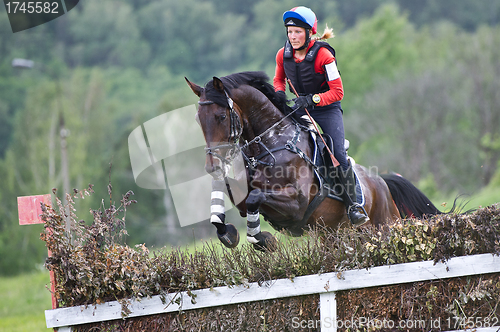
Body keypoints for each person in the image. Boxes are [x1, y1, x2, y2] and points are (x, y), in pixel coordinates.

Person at [273, 6, 369, 226]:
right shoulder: (282, 54)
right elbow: (279, 79)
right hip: (299, 108)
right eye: (289, 32)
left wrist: (313, 99)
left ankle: (354, 205)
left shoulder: (324, 55)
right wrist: (278, 94)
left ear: (309, 33)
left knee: (336, 153)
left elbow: (338, 92)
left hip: (327, 110)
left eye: (297, 32)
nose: (293, 37)